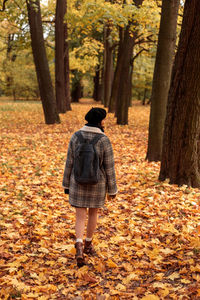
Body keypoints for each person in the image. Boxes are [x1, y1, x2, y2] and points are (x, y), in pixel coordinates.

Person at [62, 107, 117, 267]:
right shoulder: (103, 140)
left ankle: (78, 246)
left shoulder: (76, 136)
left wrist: (66, 185)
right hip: (97, 184)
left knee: (80, 216)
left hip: (77, 182)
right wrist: (112, 189)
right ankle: (88, 244)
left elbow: (69, 162)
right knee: (93, 214)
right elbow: (109, 167)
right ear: (100, 121)